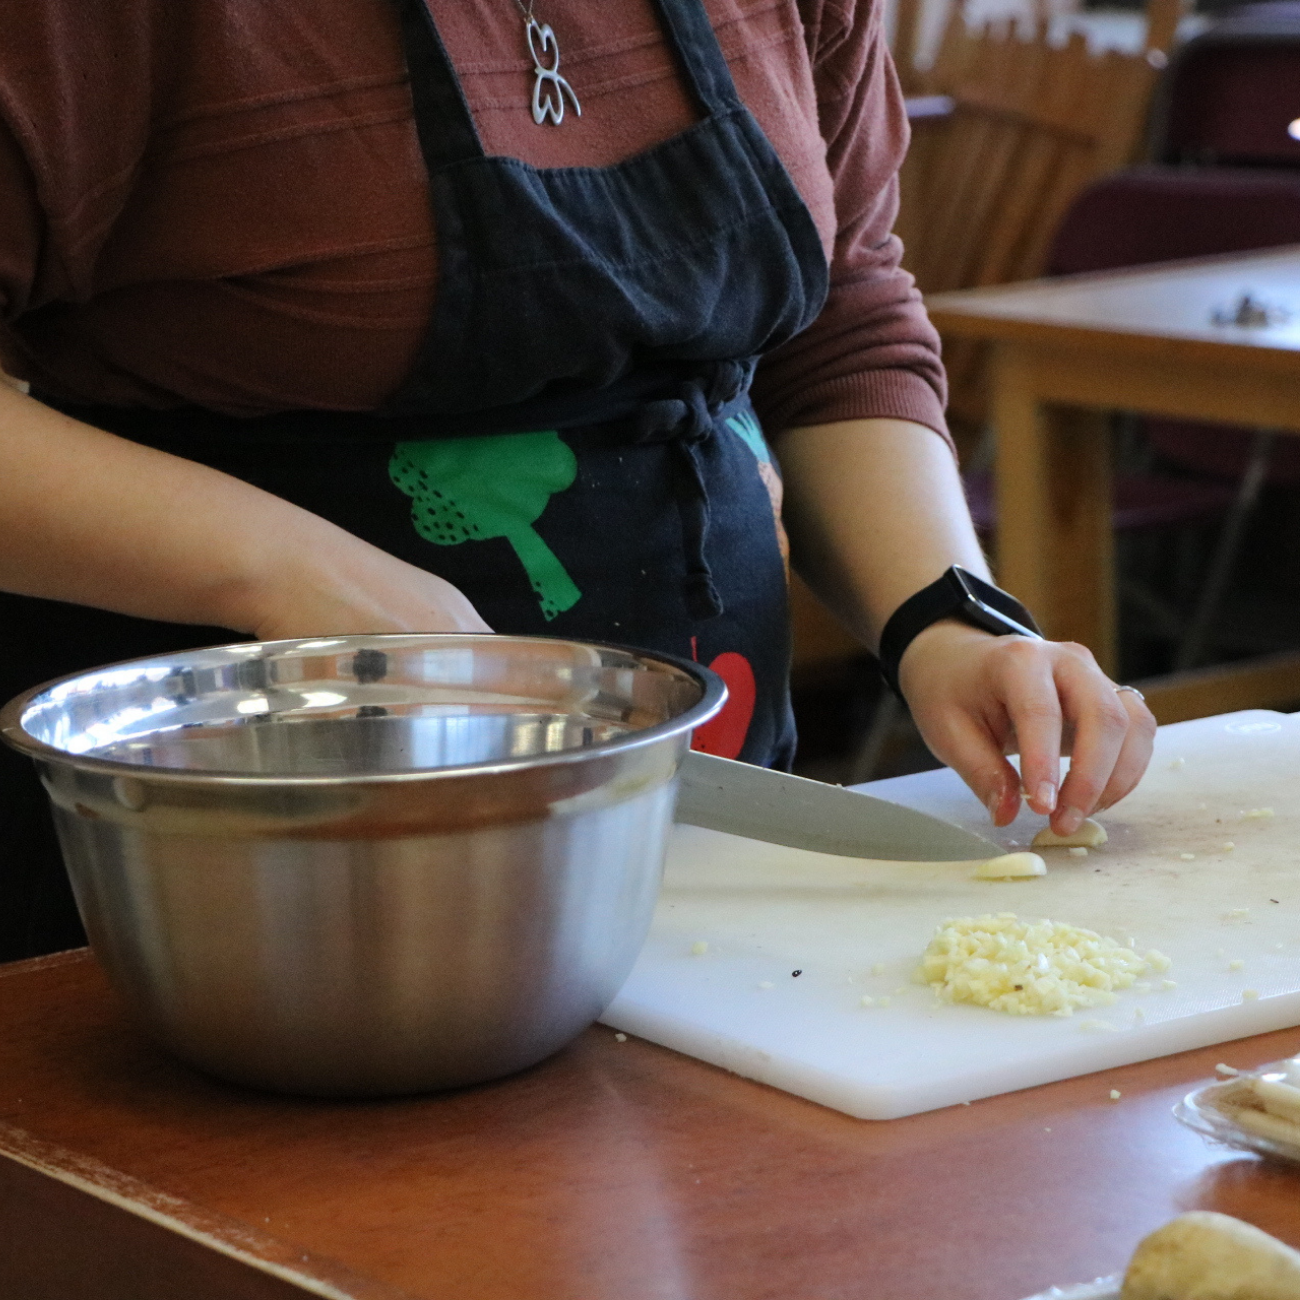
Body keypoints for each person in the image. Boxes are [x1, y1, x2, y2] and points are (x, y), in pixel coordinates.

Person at [0, 0, 1155, 962]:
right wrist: (284, 570)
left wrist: (944, 621)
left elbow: (838, 316)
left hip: (708, 833)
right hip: (233, 890)